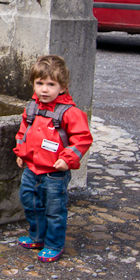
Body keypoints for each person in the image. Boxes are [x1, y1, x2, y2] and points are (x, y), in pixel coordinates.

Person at [14, 55, 93, 263]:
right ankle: (37, 235)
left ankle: (54, 244)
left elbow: (82, 139)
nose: (44, 89)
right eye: (39, 83)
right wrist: (21, 152)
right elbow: (23, 131)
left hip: (54, 173)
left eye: (51, 84)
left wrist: (68, 159)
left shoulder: (70, 113)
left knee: (54, 210)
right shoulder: (31, 108)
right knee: (29, 202)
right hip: (32, 169)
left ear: (63, 87)